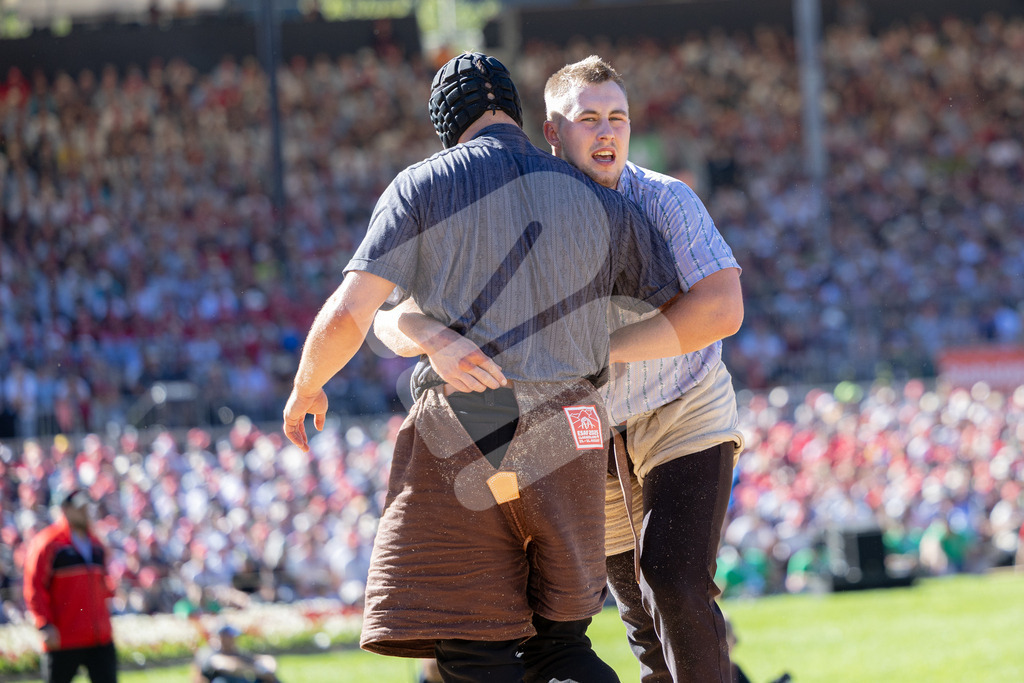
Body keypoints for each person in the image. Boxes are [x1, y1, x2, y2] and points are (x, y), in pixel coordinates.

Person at [283, 51, 685, 682]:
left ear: (448, 123)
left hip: (475, 412)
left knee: (474, 647)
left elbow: (351, 311)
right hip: (577, 423)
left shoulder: (422, 185)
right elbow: (677, 306)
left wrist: (307, 383)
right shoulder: (598, 198)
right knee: (563, 642)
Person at [375, 56, 744, 683]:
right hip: (587, 429)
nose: (607, 133)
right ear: (552, 132)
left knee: (675, 579)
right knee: (639, 613)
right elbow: (388, 314)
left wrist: (600, 348)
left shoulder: (662, 198)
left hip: (681, 404)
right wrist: (427, 335)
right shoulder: (512, 198)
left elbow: (723, 308)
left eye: (618, 119)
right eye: (589, 119)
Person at [23, 487, 119, 683]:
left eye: (86, 507)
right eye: (79, 508)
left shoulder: (96, 544)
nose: (85, 512)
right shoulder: (48, 543)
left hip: (99, 637)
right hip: (64, 638)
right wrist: (44, 624)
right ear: (65, 509)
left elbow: (103, 585)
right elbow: (34, 587)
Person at [192, 622, 281, 683]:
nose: (232, 639)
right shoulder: (210, 653)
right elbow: (229, 665)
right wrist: (260, 672)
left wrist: (268, 665)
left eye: (232, 636)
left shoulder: (235, 651)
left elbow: (256, 658)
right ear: (220, 637)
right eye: (228, 636)